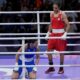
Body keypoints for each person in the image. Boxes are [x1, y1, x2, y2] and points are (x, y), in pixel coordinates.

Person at [45, 3, 70, 74]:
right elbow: (51, 24)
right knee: (48, 50)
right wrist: (48, 33)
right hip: (53, 34)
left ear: (59, 7)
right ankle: (51, 67)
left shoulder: (63, 14)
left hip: (61, 34)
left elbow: (68, 25)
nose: (54, 9)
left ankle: (61, 68)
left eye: (56, 8)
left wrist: (65, 33)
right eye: (53, 8)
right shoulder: (51, 14)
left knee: (61, 52)